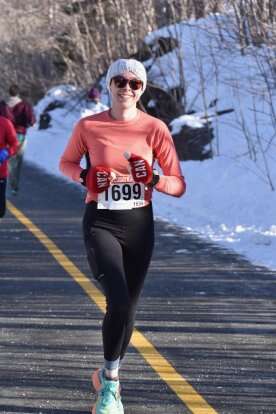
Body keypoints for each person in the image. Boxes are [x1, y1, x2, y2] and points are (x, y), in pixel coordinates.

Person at [59, 58, 186, 414]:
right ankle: (111, 388)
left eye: (135, 83)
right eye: (119, 81)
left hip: (139, 225)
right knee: (116, 299)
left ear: (142, 89)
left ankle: (106, 373)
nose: (126, 88)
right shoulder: (89, 126)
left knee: (127, 308)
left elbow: (177, 185)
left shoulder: (155, 128)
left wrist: (154, 179)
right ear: (109, 84)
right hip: (101, 222)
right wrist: (86, 178)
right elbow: (66, 163)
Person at [7, 84, 36, 195]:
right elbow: (32, 121)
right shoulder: (25, 105)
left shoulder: (3, 105)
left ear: (9, 93)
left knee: (8, 160)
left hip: (6, 136)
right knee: (18, 161)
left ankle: (6, 182)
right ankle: (14, 187)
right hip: (20, 136)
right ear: (18, 93)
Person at [0, 101, 19, 218]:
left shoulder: (5, 123)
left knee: (0, 208)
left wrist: (6, 152)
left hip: (0, 171)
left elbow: (15, 143)